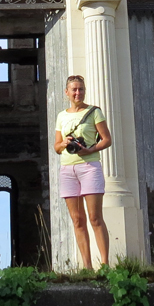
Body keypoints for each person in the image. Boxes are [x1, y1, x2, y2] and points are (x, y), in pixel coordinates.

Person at [53, 75, 112, 269]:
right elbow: (56, 147)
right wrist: (64, 143)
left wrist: (90, 149)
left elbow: (106, 139)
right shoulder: (62, 116)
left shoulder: (94, 112)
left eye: (81, 89)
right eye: (74, 90)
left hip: (89, 167)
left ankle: (104, 264)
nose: (78, 93)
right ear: (67, 92)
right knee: (77, 219)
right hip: (67, 169)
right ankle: (87, 267)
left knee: (95, 217)